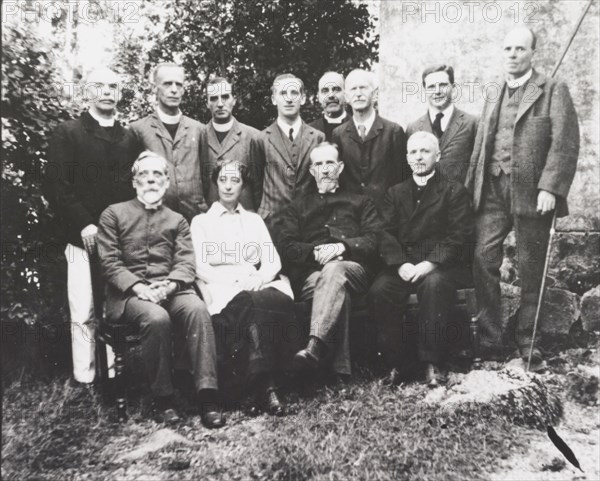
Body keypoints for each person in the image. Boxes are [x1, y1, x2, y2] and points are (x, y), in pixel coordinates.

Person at [465, 27, 579, 364]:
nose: (513, 54)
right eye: (508, 48)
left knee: (532, 268)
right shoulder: (494, 90)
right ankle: (489, 340)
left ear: (532, 53)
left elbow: (565, 142)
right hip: (491, 189)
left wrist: (551, 187)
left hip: (531, 192)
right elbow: (482, 143)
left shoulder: (552, 88)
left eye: (520, 48)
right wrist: (473, 187)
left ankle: (528, 341)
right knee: (483, 260)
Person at [97, 151, 225, 428]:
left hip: (170, 290)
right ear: (134, 181)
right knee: (156, 318)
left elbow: (186, 263)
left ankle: (207, 395)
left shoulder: (177, 220)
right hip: (130, 295)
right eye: (144, 174)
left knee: (197, 309)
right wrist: (140, 288)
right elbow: (109, 262)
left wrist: (168, 286)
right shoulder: (113, 214)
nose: (151, 180)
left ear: (167, 182)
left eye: (158, 175)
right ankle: (163, 398)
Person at [45, 67, 139, 384]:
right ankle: (85, 376)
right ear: (88, 92)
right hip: (80, 237)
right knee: (83, 308)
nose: (107, 91)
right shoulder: (68, 133)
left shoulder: (129, 139)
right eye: (99, 86)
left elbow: (134, 187)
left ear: (120, 93)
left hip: (119, 240)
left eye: (113, 86)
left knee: (114, 308)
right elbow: (57, 186)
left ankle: (114, 375)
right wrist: (85, 223)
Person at [368, 132, 474, 387]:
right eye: (413, 152)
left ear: (437, 156)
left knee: (434, 286)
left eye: (425, 151)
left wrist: (429, 264)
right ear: (406, 157)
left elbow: (459, 235)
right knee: (380, 290)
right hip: (403, 264)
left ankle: (432, 362)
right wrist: (401, 263)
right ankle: (396, 363)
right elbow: (383, 231)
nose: (419, 157)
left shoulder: (454, 191)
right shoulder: (395, 193)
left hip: (440, 265)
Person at [191, 160, 295, 416]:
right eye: (223, 180)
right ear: (215, 183)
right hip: (221, 285)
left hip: (255, 282)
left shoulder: (254, 220)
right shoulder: (201, 222)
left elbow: (273, 260)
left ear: (243, 185)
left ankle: (252, 385)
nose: (228, 186)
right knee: (251, 305)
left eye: (234, 180)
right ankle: (266, 386)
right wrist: (233, 283)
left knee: (269, 301)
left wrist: (259, 277)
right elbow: (199, 266)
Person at [279, 142, 381, 377]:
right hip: (313, 274)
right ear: (312, 171)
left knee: (334, 271)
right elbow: (286, 246)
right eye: (318, 164)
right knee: (332, 288)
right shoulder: (297, 207)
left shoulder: (361, 201)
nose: (324, 169)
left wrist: (342, 246)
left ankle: (315, 344)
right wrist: (314, 252)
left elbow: (374, 240)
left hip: (353, 270)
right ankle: (340, 371)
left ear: (341, 167)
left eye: (330, 163)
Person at [130, 63, 208, 223]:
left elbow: (207, 175)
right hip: (154, 219)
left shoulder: (199, 129)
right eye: (167, 83)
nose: (173, 89)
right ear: (155, 88)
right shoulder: (138, 130)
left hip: (195, 219)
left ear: (184, 89)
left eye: (178, 84)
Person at [252, 73, 325, 238]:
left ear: (303, 98)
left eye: (294, 93)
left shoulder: (317, 137)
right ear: (273, 99)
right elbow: (256, 184)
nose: (289, 99)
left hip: (308, 224)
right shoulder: (261, 139)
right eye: (283, 93)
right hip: (271, 224)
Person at [332, 69, 408, 212]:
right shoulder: (339, 134)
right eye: (353, 89)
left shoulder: (393, 131)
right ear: (346, 97)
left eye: (363, 87)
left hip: (385, 217)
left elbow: (402, 181)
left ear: (375, 94)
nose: (358, 93)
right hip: (351, 216)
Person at [406, 64, 478, 184]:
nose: (437, 91)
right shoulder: (413, 128)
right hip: (425, 200)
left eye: (443, 85)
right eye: (431, 87)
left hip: (461, 200)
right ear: (424, 91)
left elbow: (478, 168)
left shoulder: (472, 123)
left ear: (453, 88)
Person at [202, 77, 261, 211]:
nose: (220, 103)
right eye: (214, 98)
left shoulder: (254, 137)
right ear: (207, 103)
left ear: (234, 100)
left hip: (244, 220)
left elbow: (260, 187)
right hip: (209, 220)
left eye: (225, 97)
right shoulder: (198, 136)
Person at [309, 71, 350, 141]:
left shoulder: (358, 127)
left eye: (336, 89)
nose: (331, 95)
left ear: (345, 94)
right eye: (325, 91)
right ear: (319, 97)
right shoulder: (309, 131)